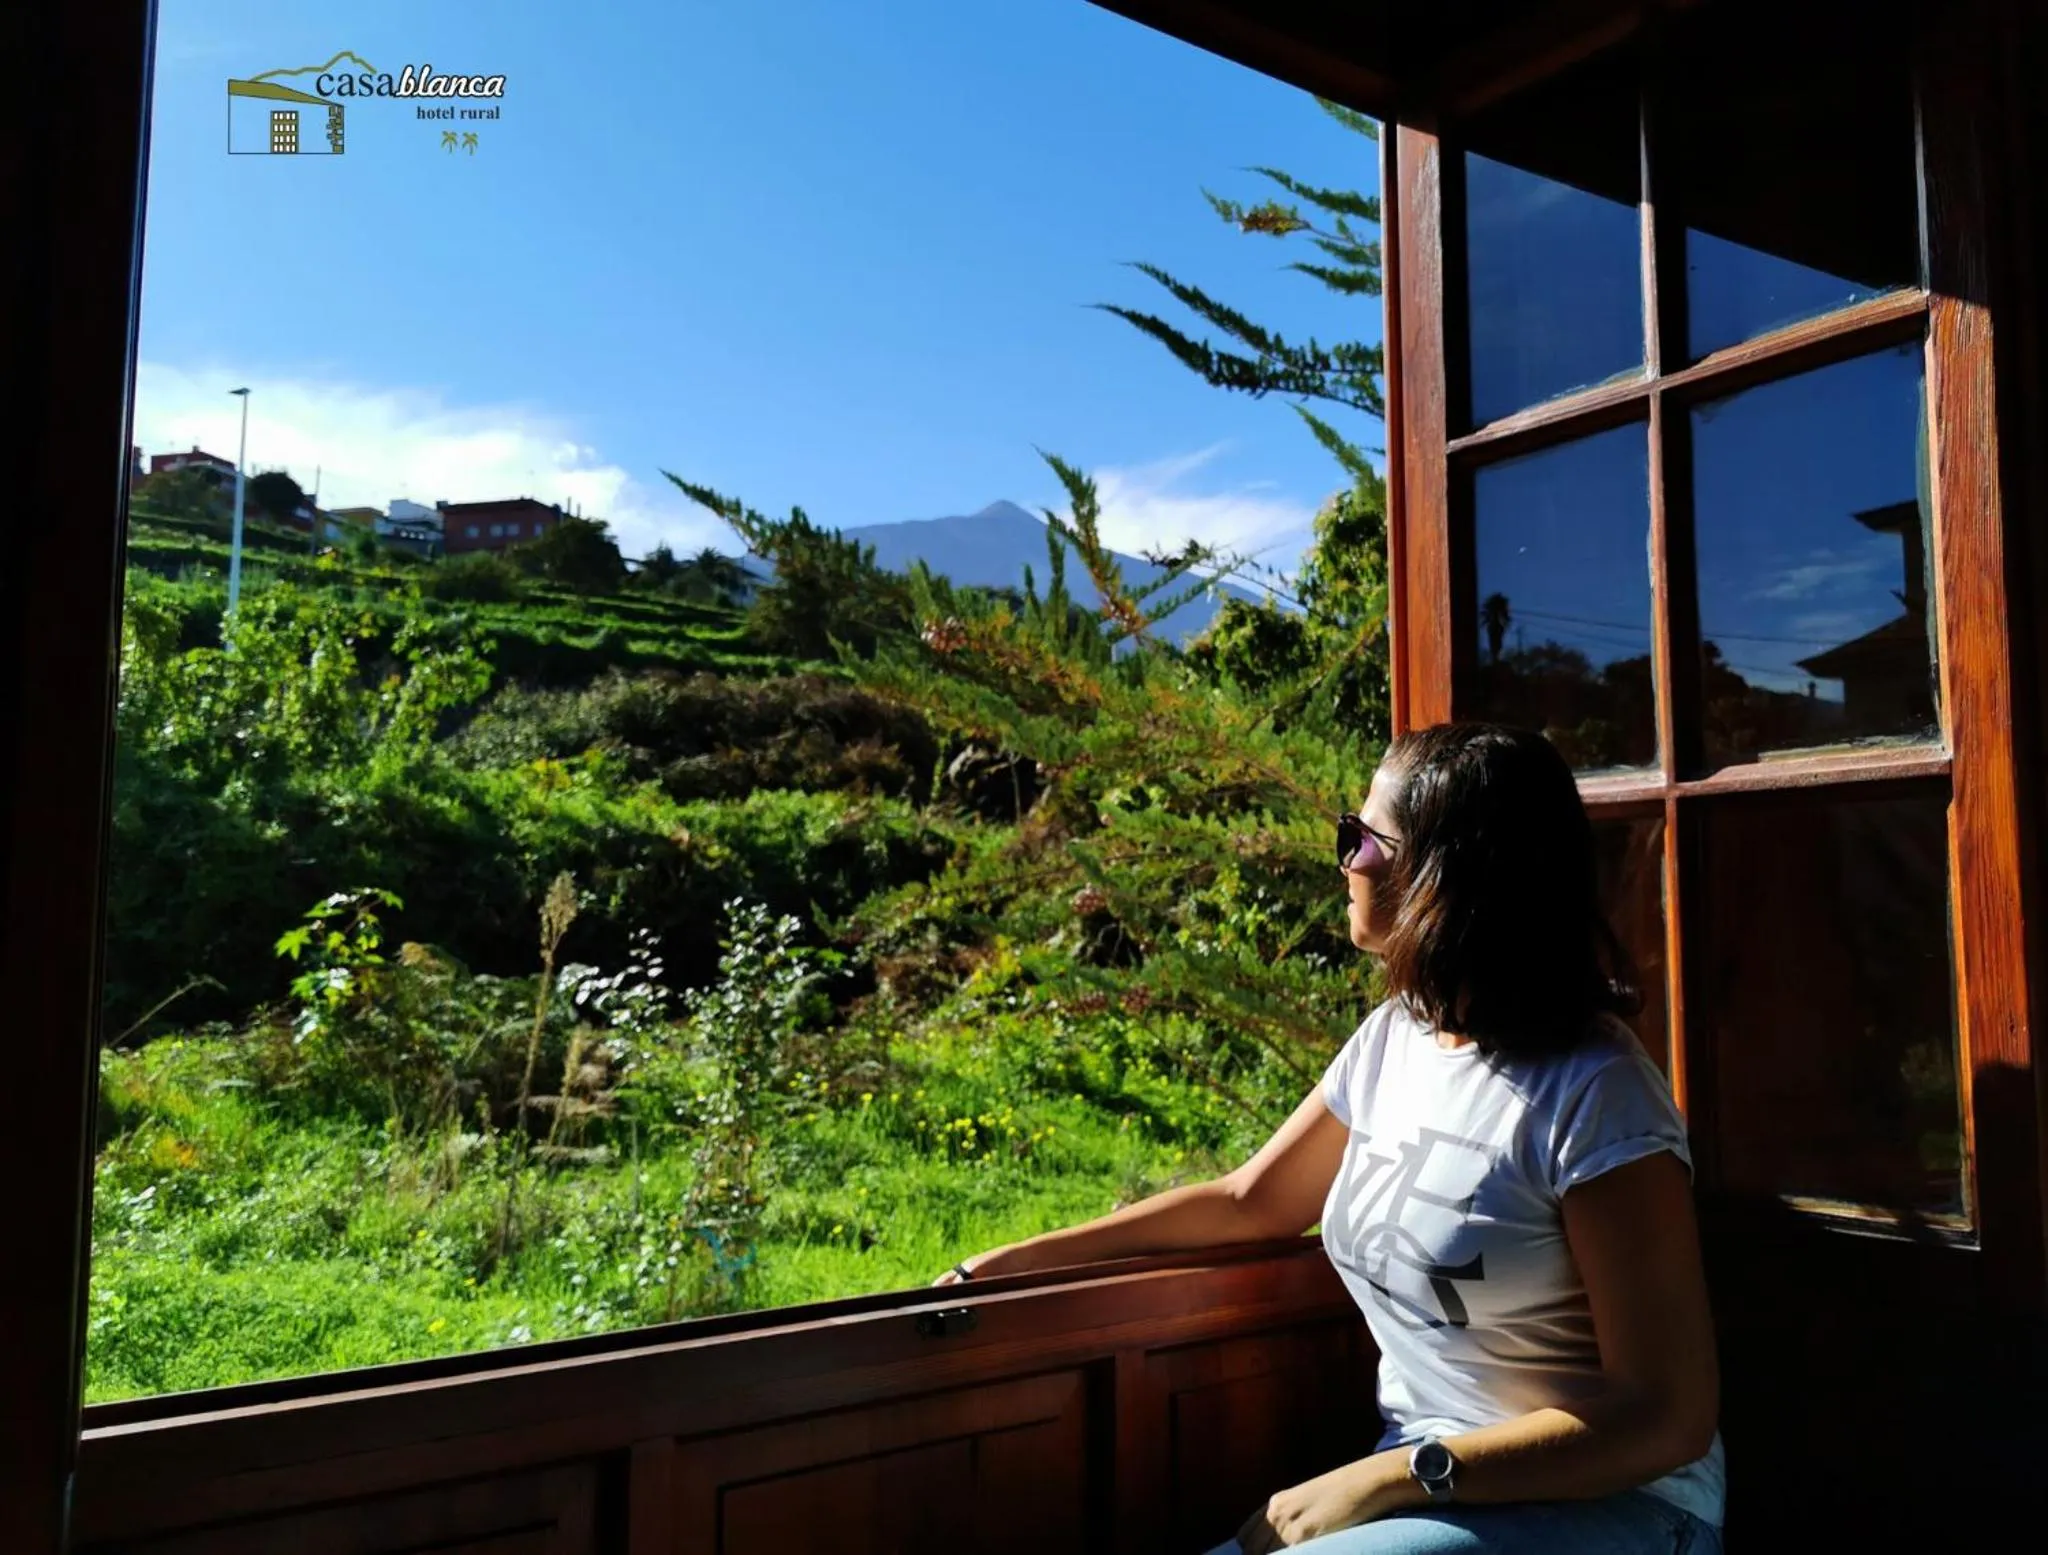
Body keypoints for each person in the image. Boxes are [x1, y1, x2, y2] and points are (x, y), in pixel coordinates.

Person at [937, 723, 1726, 1553]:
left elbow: (1665, 1416)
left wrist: (1389, 1475)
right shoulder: (1397, 1037)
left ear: (1442, 876)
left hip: (1625, 1507)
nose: (1342, 858)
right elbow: (1251, 1202)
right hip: (1436, 1488)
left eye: (1361, 837)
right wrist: (1021, 1264)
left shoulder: (1597, 1091)